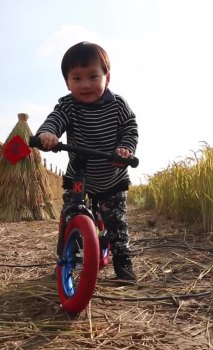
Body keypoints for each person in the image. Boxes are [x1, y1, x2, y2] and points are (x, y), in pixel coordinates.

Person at [35, 41, 139, 282]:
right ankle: (65, 259)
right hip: (79, 175)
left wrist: (125, 149)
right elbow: (55, 120)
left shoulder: (118, 105)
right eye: (77, 78)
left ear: (107, 78)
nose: (86, 85)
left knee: (116, 222)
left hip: (112, 176)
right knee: (70, 216)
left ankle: (122, 260)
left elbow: (130, 129)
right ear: (67, 82)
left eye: (93, 76)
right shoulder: (68, 106)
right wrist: (48, 135)